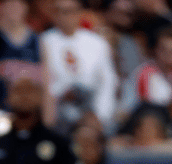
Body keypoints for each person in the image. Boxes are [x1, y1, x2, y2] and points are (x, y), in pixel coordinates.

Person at [41, 0, 118, 135]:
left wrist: (99, 114)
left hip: (92, 109)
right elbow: (45, 80)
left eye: (69, 11)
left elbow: (108, 80)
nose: (65, 16)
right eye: (59, 11)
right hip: (60, 109)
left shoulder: (97, 42)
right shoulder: (44, 41)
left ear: (79, 13)